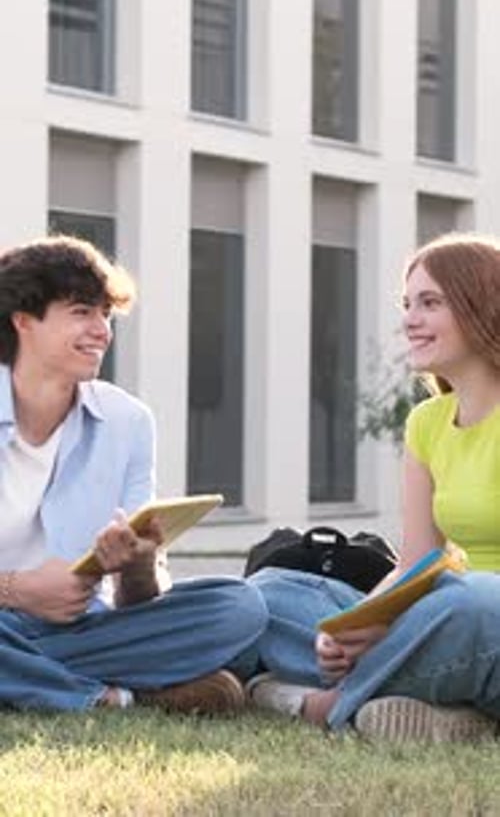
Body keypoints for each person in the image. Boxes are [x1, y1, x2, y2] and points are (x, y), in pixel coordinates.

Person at [247, 232, 500, 742]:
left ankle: (311, 701)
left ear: (483, 307)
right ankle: (450, 712)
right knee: (272, 594)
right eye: (408, 305)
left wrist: (401, 626)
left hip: (483, 621)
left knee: (476, 599)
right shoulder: (427, 422)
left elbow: (458, 599)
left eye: (430, 303)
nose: (410, 319)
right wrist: (358, 626)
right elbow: (416, 565)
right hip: (443, 623)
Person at [0, 234, 267, 713]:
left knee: (240, 608)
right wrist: (17, 589)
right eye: (82, 311)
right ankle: (112, 696)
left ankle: (35, 678)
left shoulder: (128, 422)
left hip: (90, 629)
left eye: (106, 314)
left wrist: (138, 563)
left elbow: (136, 602)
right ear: (23, 320)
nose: (102, 329)